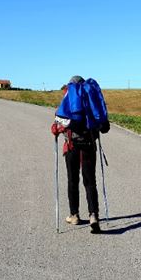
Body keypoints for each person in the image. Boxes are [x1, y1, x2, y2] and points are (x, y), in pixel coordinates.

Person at [50, 75, 110, 233]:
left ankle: (74, 215)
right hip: (89, 146)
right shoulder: (92, 99)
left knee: (72, 180)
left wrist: (56, 130)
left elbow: (57, 125)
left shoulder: (69, 99)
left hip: (71, 147)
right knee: (90, 182)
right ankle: (93, 216)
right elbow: (105, 127)